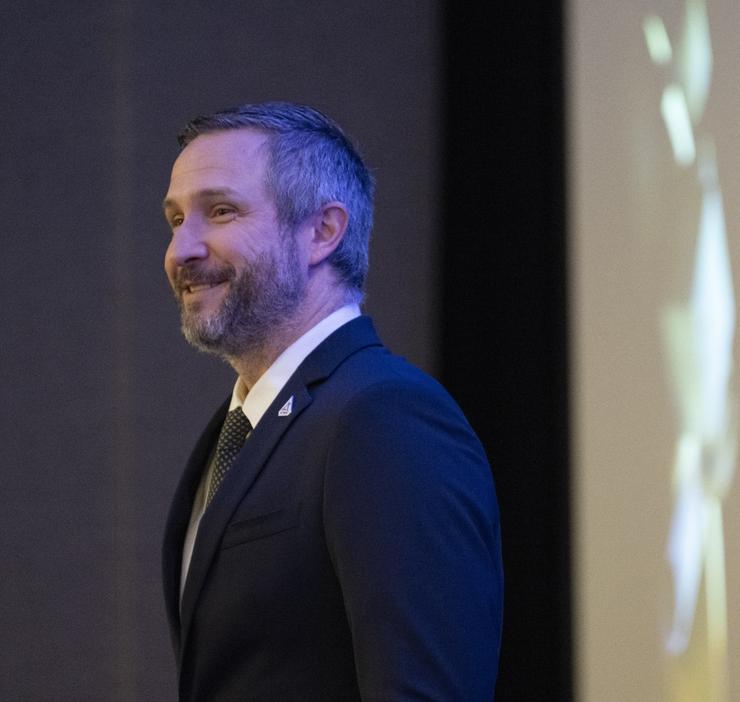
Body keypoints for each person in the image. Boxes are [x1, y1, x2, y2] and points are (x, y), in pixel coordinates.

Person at [158, 102, 503, 701]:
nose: (181, 250)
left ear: (323, 231)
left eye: (220, 211)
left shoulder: (384, 416)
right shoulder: (238, 428)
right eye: (175, 219)